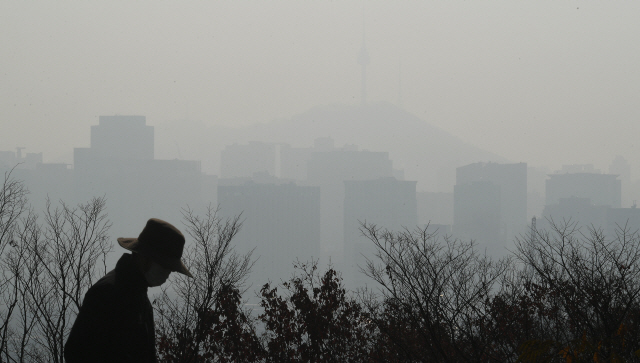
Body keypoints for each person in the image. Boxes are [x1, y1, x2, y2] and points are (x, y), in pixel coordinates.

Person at [64, 218, 193, 363]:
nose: (168, 273)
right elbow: (76, 353)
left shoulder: (140, 299)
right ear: (145, 257)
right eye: (165, 266)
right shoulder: (106, 293)